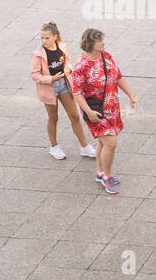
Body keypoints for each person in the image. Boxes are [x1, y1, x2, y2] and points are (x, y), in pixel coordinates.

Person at [71, 28, 139, 194]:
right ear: (91, 43)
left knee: (104, 142)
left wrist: (130, 94)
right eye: (99, 40)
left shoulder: (106, 56)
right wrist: (89, 112)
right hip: (95, 111)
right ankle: (107, 177)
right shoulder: (81, 67)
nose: (103, 42)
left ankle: (100, 173)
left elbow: (117, 76)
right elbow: (76, 93)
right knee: (110, 142)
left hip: (111, 108)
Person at [31, 22, 95, 161]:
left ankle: (84, 146)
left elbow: (68, 62)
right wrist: (51, 79)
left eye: (46, 38)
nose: (43, 41)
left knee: (75, 116)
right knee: (53, 118)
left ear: (55, 37)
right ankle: (54, 147)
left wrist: (68, 69)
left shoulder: (62, 46)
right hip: (49, 88)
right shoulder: (38, 54)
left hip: (63, 85)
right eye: (41, 38)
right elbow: (34, 75)